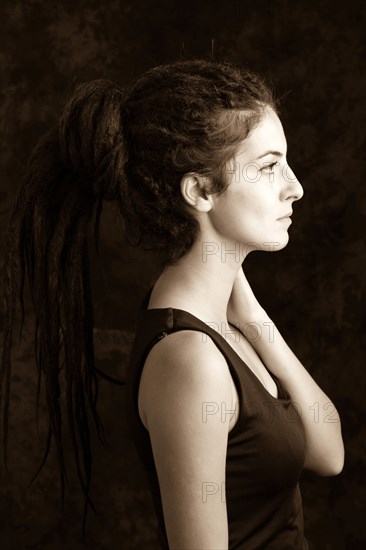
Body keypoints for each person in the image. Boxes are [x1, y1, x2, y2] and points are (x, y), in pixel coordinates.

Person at [0, 59, 344, 549]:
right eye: (270, 166)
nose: (296, 186)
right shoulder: (191, 360)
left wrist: (251, 316)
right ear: (200, 190)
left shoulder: (226, 325)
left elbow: (328, 455)